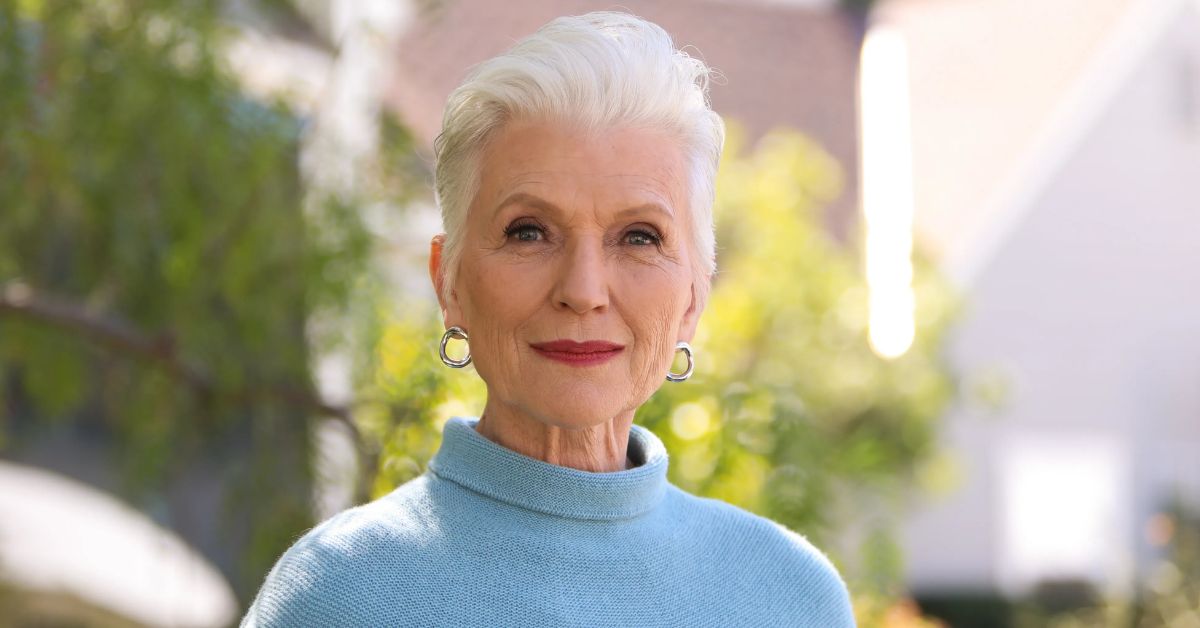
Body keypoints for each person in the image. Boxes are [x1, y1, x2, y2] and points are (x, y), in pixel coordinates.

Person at [241, 11, 855, 627]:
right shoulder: (334, 596)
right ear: (448, 282)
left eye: (639, 237)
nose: (583, 290)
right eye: (528, 231)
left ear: (694, 296)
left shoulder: (791, 597)